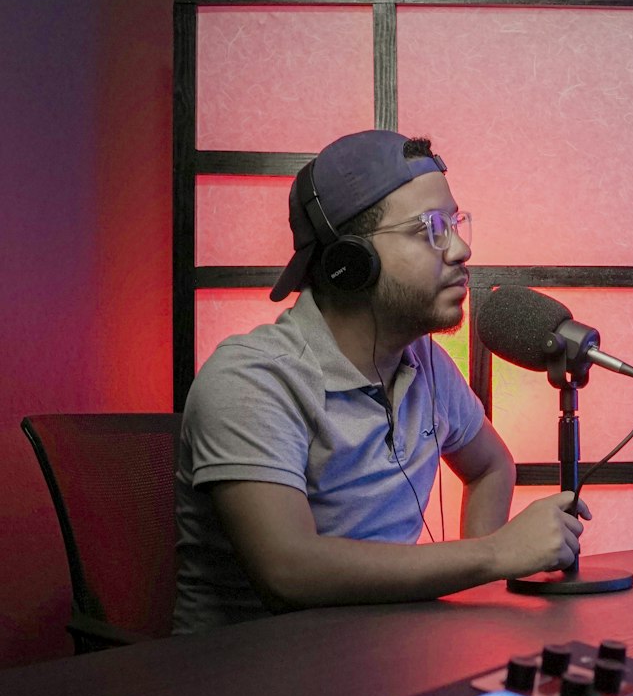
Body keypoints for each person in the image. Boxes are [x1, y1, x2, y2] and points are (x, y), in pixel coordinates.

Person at [173, 129, 587, 631]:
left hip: (381, 656)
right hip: (250, 681)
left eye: (454, 224)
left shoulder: (424, 363)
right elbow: (288, 571)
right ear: (351, 264)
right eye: (429, 229)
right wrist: (493, 555)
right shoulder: (253, 379)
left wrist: (479, 591)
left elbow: (491, 465)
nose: (459, 250)